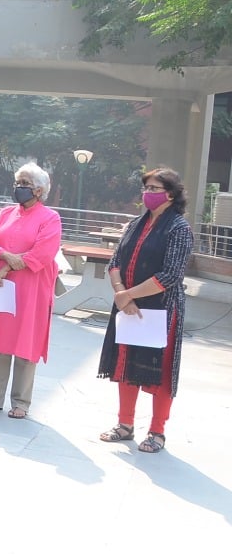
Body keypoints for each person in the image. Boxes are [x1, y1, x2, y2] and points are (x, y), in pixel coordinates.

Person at [97, 167, 194, 454]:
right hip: (128, 307)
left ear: (171, 195)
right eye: (146, 188)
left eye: (154, 189)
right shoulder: (135, 224)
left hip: (161, 309)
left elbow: (170, 275)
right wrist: (120, 294)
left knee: (159, 370)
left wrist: (128, 294)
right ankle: (125, 425)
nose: (148, 194)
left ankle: (157, 432)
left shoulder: (179, 228)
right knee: (126, 363)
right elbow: (115, 261)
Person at [0, 163, 62, 419]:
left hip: (31, 288)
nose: (19, 188)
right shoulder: (3, 214)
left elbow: (44, 252)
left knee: (26, 342)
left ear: (38, 190)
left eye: (24, 184)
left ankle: (21, 402)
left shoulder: (50, 218)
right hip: (1, 286)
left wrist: (10, 266)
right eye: (18, 183)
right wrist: (4, 257)